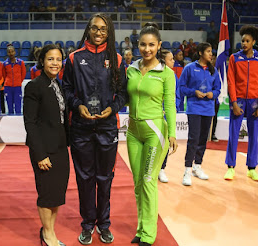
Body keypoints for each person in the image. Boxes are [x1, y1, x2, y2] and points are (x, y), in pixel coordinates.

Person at [62, 13, 127, 245]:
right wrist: (78, 105)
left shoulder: (117, 59)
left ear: (109, 32)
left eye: (103, 29)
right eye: (94, 28)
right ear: (88, 30)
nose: (98, 33)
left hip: (107, 127)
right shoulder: (73, 58)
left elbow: (122, 94)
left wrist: (112, 108)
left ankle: (104, 224)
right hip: (81, 127)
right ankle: (88, 224)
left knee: (105, 178)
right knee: (85, 178)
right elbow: (66, 89)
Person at [126, 23, 177, 246]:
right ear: (138, 45)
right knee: (138, 183)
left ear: (159, 46)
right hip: (132, 132)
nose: (147, 49)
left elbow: (171, 105)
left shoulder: (167, 73)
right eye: (143, 45)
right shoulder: (131, 69)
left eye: (151, 45)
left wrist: (173, 133)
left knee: (148, 180)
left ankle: (149, 234)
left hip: (155, 131)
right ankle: (141, 228)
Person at [23, 44, 69, 246]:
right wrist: (40, 154)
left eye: (58, 59)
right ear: (42, 61)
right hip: (44, 150)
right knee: (46, 193)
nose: (55, 63)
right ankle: (48, 235)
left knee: (57, 193)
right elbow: (30, 123)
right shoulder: (34, 86)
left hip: (60, 148)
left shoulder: (57, 84)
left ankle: (48, 230)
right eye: (51, 59)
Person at [180, 42, 221, 186]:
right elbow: (182, 88)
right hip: (194, 109)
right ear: (200, 53)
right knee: (193, 139)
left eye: (212, 52)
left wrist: (212, 94)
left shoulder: (213, 70)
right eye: (208, 51)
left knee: (203, 139)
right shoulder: (189, 68)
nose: (211, 54)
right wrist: (194, 92)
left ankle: (198, 166)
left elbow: (218, 89)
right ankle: (187, 170)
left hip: (208, 110)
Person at [224, 25, 258, 181]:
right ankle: (230, 167)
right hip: (238, 101)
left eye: (247, 41)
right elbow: (231, 81)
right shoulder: (234, 58)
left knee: (255, 136)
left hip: (255, 101)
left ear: (253, 42)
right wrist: (234, 102)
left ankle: (252, 168)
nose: (244, 43)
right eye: (242, 40)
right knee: (233, 134)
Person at [157, 49, 181, 183]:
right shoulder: (153, 73)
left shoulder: (173, 75)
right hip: (155, 115)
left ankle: (162, 169)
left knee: (166, 143)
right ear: (163, 61)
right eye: (171, 59)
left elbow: (176, 96)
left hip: (167, 116)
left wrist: (172, 107)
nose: (174, 61)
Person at [2, 44, 26, 115]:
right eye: (9, 52)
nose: (11, 53)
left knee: (18, 106)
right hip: (8, 87)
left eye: (12, 51)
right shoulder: (5, 64)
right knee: (9, 106)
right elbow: (4, 75)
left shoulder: (20, 62)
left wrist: (18, 81)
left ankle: (18, 123)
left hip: (17, 87)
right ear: (7, 53)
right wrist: (8, 81)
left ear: (15, 52)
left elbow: (23, 74)